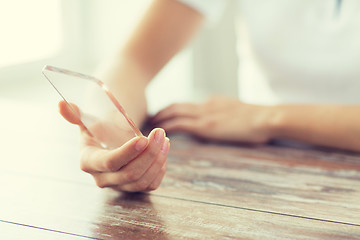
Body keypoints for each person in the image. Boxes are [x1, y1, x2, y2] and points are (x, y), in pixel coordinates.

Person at [59, 0, 360, 192]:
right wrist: (112, 125)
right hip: (263, 174)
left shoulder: (261, 119)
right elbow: (131, 62)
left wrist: (267, 116)